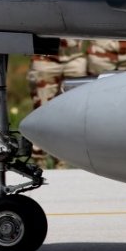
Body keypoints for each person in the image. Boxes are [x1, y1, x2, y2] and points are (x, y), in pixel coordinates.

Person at [28, 38, 86, 168]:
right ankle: (39, 161)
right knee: (41, 112)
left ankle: (63, 161)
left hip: (74, 56)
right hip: (44, 57)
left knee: (73, 113)